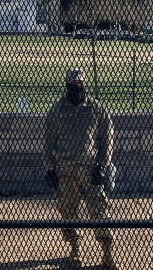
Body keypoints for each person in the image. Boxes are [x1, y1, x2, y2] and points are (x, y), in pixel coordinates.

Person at [43, 68, 117, 270]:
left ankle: (107, 254)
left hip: (90, 169)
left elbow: (107, 138)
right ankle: (74, 249)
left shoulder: (96, 108)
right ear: (66, 86)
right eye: (72, 85)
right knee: (67, 211)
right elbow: (48, 141)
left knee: (100, 212)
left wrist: (103, 165)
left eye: (79, 84)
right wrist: (49, 168)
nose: (76, 88)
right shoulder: (58, 110)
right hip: (65, 171)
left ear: (84, 85)